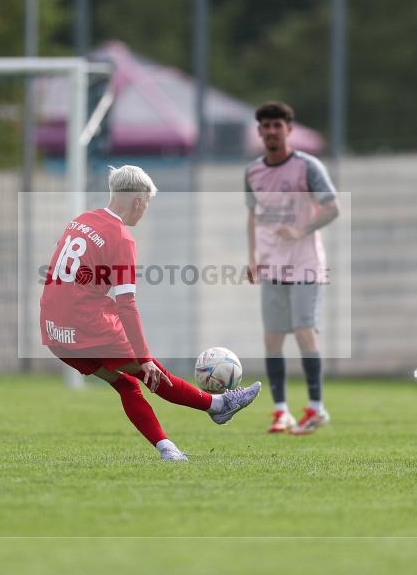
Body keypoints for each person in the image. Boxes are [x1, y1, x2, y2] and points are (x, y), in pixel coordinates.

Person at [40, 165, 261, 461]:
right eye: (147, 203)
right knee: (150, 372)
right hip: (87, 324)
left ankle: (167, 449)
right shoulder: (121, 238)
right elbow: (126, 303)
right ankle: (218, 406)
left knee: (125, 382)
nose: (144, 211)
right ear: (138, 200)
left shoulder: (80, 220)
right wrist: (144, 358)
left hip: (54, 330)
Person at [245, 101, 340, 435]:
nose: (271, 131)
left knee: (303, 331)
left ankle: (316, 408)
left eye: (277, 125)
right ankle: (280, 411)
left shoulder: (307, 167)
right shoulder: (253, 171)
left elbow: (332, 208)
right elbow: (252, 215)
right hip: (271, 265)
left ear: (289, 129)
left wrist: (301, 230)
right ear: (259, 131)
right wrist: (252, 256)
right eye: (266, 126)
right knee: (272, 340)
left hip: (304, 263)